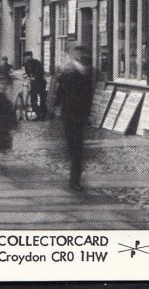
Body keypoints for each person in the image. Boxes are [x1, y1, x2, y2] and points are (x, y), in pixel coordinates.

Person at [55, 44, 94, 192]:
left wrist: (88, 112)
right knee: (75, 147)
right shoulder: (68, 72)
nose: (81, 57)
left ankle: (75, 178)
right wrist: (58, 107)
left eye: (83, 54)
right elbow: (60, 92)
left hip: (80, 114)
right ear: (74, 56)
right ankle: (74, 178)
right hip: (70, 113)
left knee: (77, 148)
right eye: (78, 54)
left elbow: (89, 95)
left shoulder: (88, 72)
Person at [23, 50, 48, 120]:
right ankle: (38, 114)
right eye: (25, 57)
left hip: (40, 82)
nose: (25, 58)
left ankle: (43, 115)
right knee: (33, 99)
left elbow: (40, 72)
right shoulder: (26, 64)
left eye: (26, 56)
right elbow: (27, 72)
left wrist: (35, 77)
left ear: (30, 56)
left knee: (42, 98)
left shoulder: (36, 62)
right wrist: (27, 76)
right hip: (33, 83)